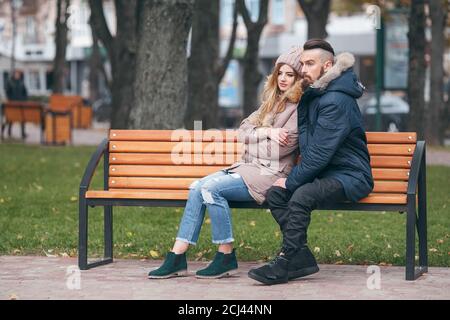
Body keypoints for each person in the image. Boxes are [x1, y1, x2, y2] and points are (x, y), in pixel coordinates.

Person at [148, 47, 304, 279]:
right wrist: (268, 131)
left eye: (289, 74)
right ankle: (177, 256)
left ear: (299, 79)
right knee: (196, 187)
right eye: (280, 73)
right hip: (247, 168)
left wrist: (256, 138)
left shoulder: (299, 109)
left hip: (270, 175)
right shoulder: (271, 103)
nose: (282, 78)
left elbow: (279, 149)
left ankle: (225, 254)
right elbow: (241, 132)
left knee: (210, 189)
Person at [248, 39, 374, 285]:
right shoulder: (317, 93)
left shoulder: (336, 100)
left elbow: (318, 154)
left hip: (350, 175)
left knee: (301, 195)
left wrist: (293, 180)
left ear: (327, 66)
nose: (303, 69)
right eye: (303, 63)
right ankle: (301, 256)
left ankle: (285, 261)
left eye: (310, 63)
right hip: (327, 173)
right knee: (276, 194)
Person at [4, 70, 28, 138]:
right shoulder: (10, 82)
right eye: (16, 74)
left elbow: (25, 92)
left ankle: (23, 133)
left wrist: (24, 100)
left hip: (20, 103)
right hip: (12, 103)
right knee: (10, 119)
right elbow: (7, 92)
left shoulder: (21, 82)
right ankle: (8, 131)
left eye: (18, 74)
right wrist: (10, 100)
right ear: (14, 74)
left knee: (22, 118)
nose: (17, 75)